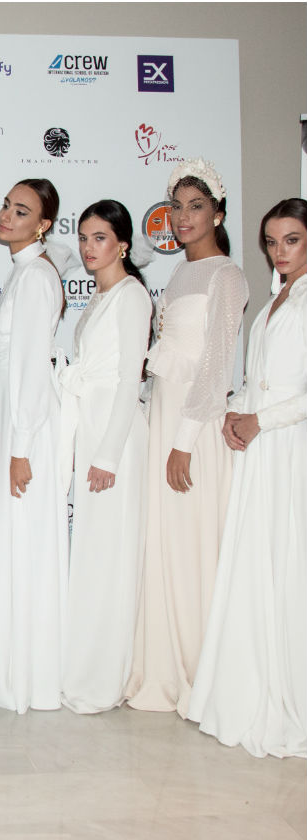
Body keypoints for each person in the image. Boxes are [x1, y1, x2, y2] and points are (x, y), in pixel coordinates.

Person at [125, 159, 249, 716]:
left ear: (218, 212)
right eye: (176, 206)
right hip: (165, 419)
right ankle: (168, 667)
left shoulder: (228, 275)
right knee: (165, 542)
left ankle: (207, 668)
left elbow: (217, 365)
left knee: (197, 543)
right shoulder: (177, 276)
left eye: (195, 206)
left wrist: (183, 438)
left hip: (194, 430)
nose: (182, 217)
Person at [187, 198, 307, 758]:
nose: (279, 252)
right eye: (272, 241)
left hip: (289, 448)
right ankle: (254, 684)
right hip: (261, 446)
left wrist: (261, 418)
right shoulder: (276, 299)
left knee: (287, 563)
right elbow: (259, 377)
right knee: (260, 562)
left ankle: (288, 694)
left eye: (292, 240)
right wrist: (237, 409)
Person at [0, 177, 70, 714]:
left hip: (22, 428)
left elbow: (31, 368)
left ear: (44, 224)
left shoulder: (34, 279)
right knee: (14, 541)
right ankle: (9, 665)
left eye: (21, 210)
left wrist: (21, 447)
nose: (6, 215)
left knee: (24, 542)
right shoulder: (25, 273)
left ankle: (26, 674)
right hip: (12, 421)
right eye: (6, 204)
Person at [58, 200, 153, 714]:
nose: (89, 247)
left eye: (100, 238)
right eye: (84, 237)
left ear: (122, 243)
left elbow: (127, 382)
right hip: (92, 433)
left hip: (114, 441)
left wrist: (108, 455)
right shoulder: (100, 298)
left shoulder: (133, 296)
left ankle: (104, 677)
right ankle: (88, 666)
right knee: (95, 554)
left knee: (111, 556)